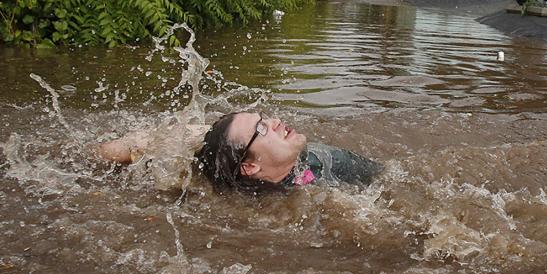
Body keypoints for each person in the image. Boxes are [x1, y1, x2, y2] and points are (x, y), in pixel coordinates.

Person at [98, 111, 381, 194]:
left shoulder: (335, 165)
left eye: (263, 118)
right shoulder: (209, 187)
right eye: (262, 129)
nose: (274, 121)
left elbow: (386, 179)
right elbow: (110, 151)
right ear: (248, 167)